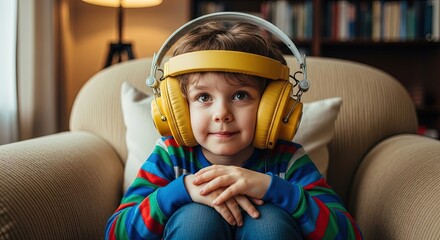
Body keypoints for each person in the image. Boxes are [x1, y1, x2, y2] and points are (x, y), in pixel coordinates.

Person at [105, 20, 363, 240]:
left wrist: (273, 189)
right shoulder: (171, 156)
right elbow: (116, 232)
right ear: (179, 109)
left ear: (272, 108)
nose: (222, 114)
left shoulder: (288, 160)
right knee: (196, 218)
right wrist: (182, 190)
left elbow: (348, 234)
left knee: (269, 221)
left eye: (240, 95)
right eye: (203, 97)